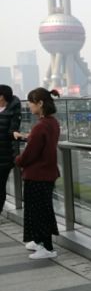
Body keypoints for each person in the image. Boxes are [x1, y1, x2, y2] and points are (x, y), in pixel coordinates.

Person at [14, 87, 61, 260]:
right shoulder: (52, 122)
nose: (29, 106)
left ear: (40, 103)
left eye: (31, 102)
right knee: (42, 209)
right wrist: (27, 137)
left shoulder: (40, 126)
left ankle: (47, 247)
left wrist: (17, 160)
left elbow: (29, 154)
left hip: (37, 175)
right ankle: (39, 241)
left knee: (39, 212)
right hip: (47, 173)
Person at [0, 85, 22, 217]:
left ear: (2, 97)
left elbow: (12, 131)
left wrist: (14, 133)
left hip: (4, 156)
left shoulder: (13, 111)